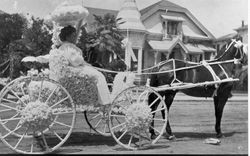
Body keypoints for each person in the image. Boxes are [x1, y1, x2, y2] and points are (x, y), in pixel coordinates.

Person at [57, 25, 111, 105]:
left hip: (75, 68)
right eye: (74, 35)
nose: (76, 37)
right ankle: (105, 102)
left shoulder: (62, 47)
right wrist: (84, 62)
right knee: (99, 76)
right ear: (68, 36)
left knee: (98, 74)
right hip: (76, 69)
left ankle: (102, 100)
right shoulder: (69, 47)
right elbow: (75, 61)